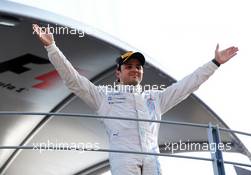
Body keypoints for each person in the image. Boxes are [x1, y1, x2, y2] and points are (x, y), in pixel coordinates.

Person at [32, 24, 238, 175]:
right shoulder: (104, 97)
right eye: (128, 66)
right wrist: (52, 48)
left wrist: (214, 63)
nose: (134, 70)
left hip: (152, 159)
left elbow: (187, 85)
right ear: (118, 73)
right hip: (123, 158)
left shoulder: (155, 99)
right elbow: (74, 80)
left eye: (138, 67)